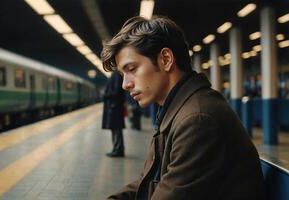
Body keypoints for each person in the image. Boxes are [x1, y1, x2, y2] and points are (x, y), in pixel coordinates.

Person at [100, 16, 265, 200]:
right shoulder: (178, 109)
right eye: (123, 74)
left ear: (166, 59)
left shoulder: (197, 120)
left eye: (132, 69)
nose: (125, 84)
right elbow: (147, 182)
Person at [102, 70, 126, 157]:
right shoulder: (115, 74)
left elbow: (117, 91)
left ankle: (118, 150)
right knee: (115, 128)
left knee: (116, 129)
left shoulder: (116, 75)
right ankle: (116, 149)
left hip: (115, 107)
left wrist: (105, 95)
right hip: (114, 107)